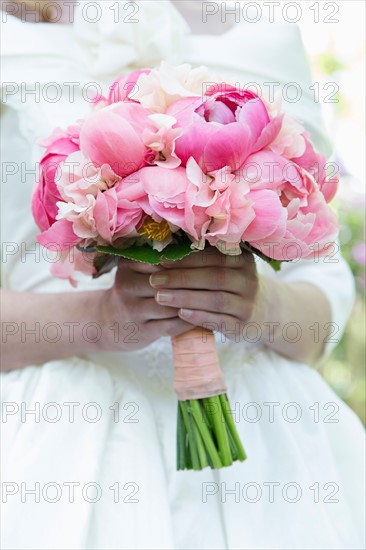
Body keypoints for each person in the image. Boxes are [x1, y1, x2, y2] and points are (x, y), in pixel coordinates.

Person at [1, 1, 365, 549]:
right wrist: (97, 319)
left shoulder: (265, 36)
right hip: (59, 441)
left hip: (268, 446)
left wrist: (261, 307)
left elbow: (323, 285)